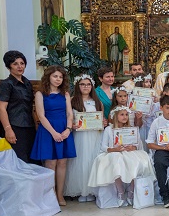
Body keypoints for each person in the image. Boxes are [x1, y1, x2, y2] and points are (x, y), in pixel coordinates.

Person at [87, 105, 155, 205]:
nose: (125, 117)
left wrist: (133, 147)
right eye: (122, 115)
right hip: (115, 153)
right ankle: (121, 191)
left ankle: (131, 191)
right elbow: (104, 147)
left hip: (129, 152)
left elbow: (139, 144)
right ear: (115, 116)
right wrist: (114, 149)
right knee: (116, 160)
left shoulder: (131, 129)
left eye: (126, 115)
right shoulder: (109, 129)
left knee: (135, 161)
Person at [31, 65, 77, 206]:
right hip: (48, 130)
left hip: (64, 129)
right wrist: (53, 133)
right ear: (48, 77)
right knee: (51, 163)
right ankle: (49, 195)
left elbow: (70, 113)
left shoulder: (66, 94)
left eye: (60, 77)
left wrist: (68, 129)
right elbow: (40, 115)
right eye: (55, 76)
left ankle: (60, 195)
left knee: (63, 162)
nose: (58, 79)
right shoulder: (40, 94)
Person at [65, 74, 104, 202]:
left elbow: (102, 118)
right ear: (77, 86)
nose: (85, 87)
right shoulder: (72, 101)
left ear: (92, 86)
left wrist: (103, 122)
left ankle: (93, 190)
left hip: (95, 136)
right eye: (82, 84)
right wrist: (72, 126)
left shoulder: (97, 102)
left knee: (93, 160)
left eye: (88, 84)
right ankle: (82, 190)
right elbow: (68, 118)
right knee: (81, 161)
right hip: (80, 136)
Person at [0, 51, 36, 163]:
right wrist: (8, 129)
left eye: (22, 63)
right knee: (20, 160)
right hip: (15, 126)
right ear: (9, 66)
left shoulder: (27, 83)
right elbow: (1, 108)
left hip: (29, 126)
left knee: (32, 160)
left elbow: (30, 106)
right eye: (15, 64)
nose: (20, 66)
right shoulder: (6, 84)